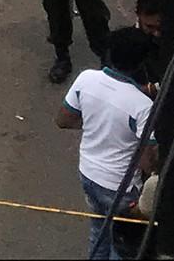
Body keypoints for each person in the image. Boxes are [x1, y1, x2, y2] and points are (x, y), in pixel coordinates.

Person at [59, 28, 156, 260]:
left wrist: (98, 123)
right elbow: (146, 160)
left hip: (88, 174)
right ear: (141, 63)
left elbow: (63, 119)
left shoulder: (86, 79)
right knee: (122, 245)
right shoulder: (141, 105)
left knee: (98, 230)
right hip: (120, 186)